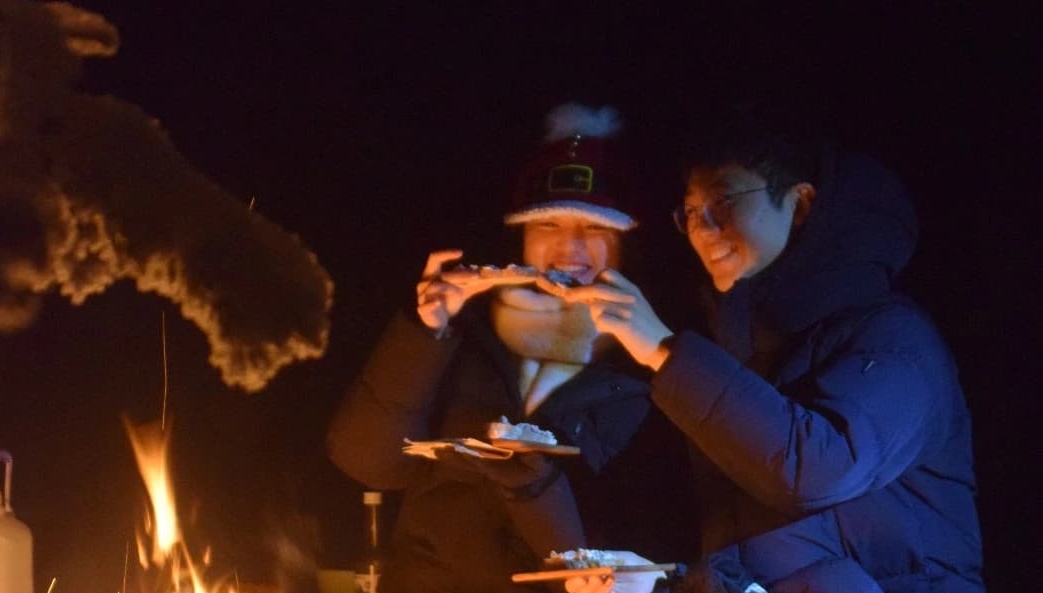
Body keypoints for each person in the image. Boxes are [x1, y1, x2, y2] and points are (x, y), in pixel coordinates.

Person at [559, 133, 984, 593]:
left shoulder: (895, 339)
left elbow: (816, 471)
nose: (703, 228)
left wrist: (661, 349)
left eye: (724, 200)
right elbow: (761, 552)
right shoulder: (741, 350)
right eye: (691, 212)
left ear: (800, 204)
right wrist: (664, 583)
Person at [327, 103, 694, 593]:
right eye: (548, 225)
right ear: (521, 237)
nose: (570, 247)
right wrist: (424, 329)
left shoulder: (649, 363)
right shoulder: (465, 333)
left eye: (595, 227)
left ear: (627, 242)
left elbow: (655, 536)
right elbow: (367, 462)